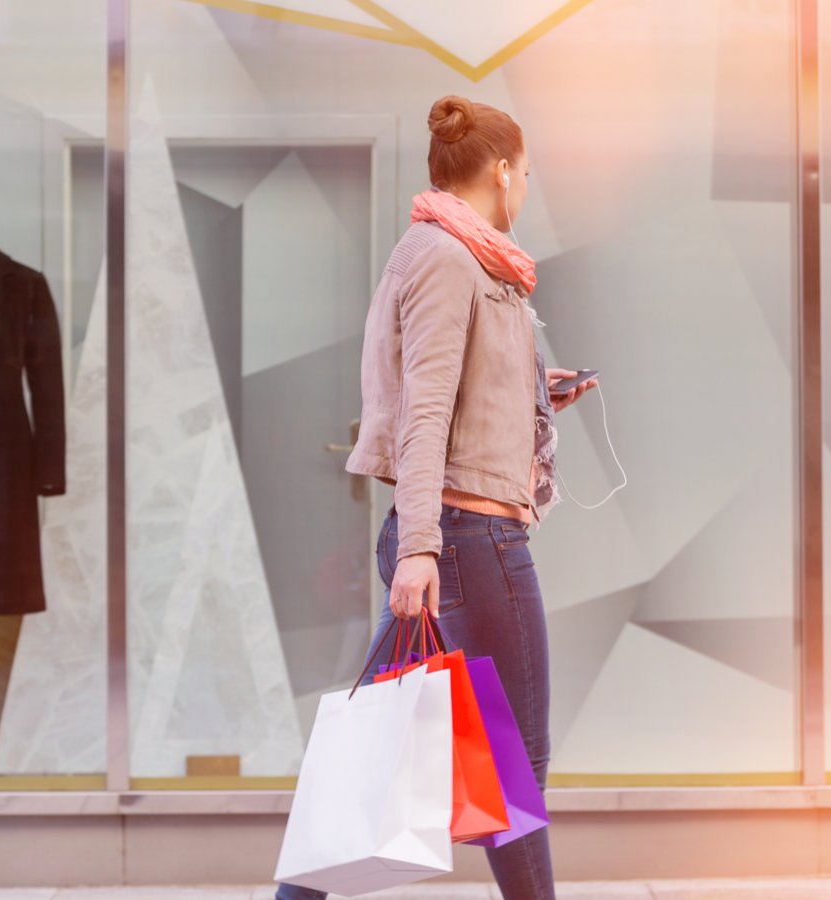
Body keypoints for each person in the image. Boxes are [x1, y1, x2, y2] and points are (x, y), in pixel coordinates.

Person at [275, 95, 593, 900]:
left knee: (399, 762)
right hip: (467, 541)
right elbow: (421, 413)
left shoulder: (455, 254)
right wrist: (418, 547)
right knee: (516, 772)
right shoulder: (450, 259)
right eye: (526, 173)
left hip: (451, 536)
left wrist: (529, 389)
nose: (526, 188)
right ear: (502, 170)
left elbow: (445, 393)